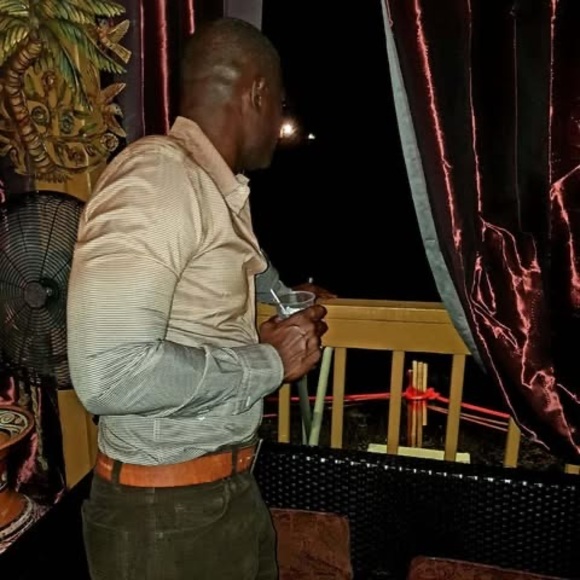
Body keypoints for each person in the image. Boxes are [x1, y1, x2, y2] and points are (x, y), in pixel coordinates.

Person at [67, 17, 328, 580]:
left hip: (221, 495)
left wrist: (287, 296)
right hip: (163, 518)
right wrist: (270, 362)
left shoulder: (208, 186)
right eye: (279, 105)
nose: (279, 122)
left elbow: (241, 263)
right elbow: (108, 373)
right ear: (256, 93)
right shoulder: (157, 179)